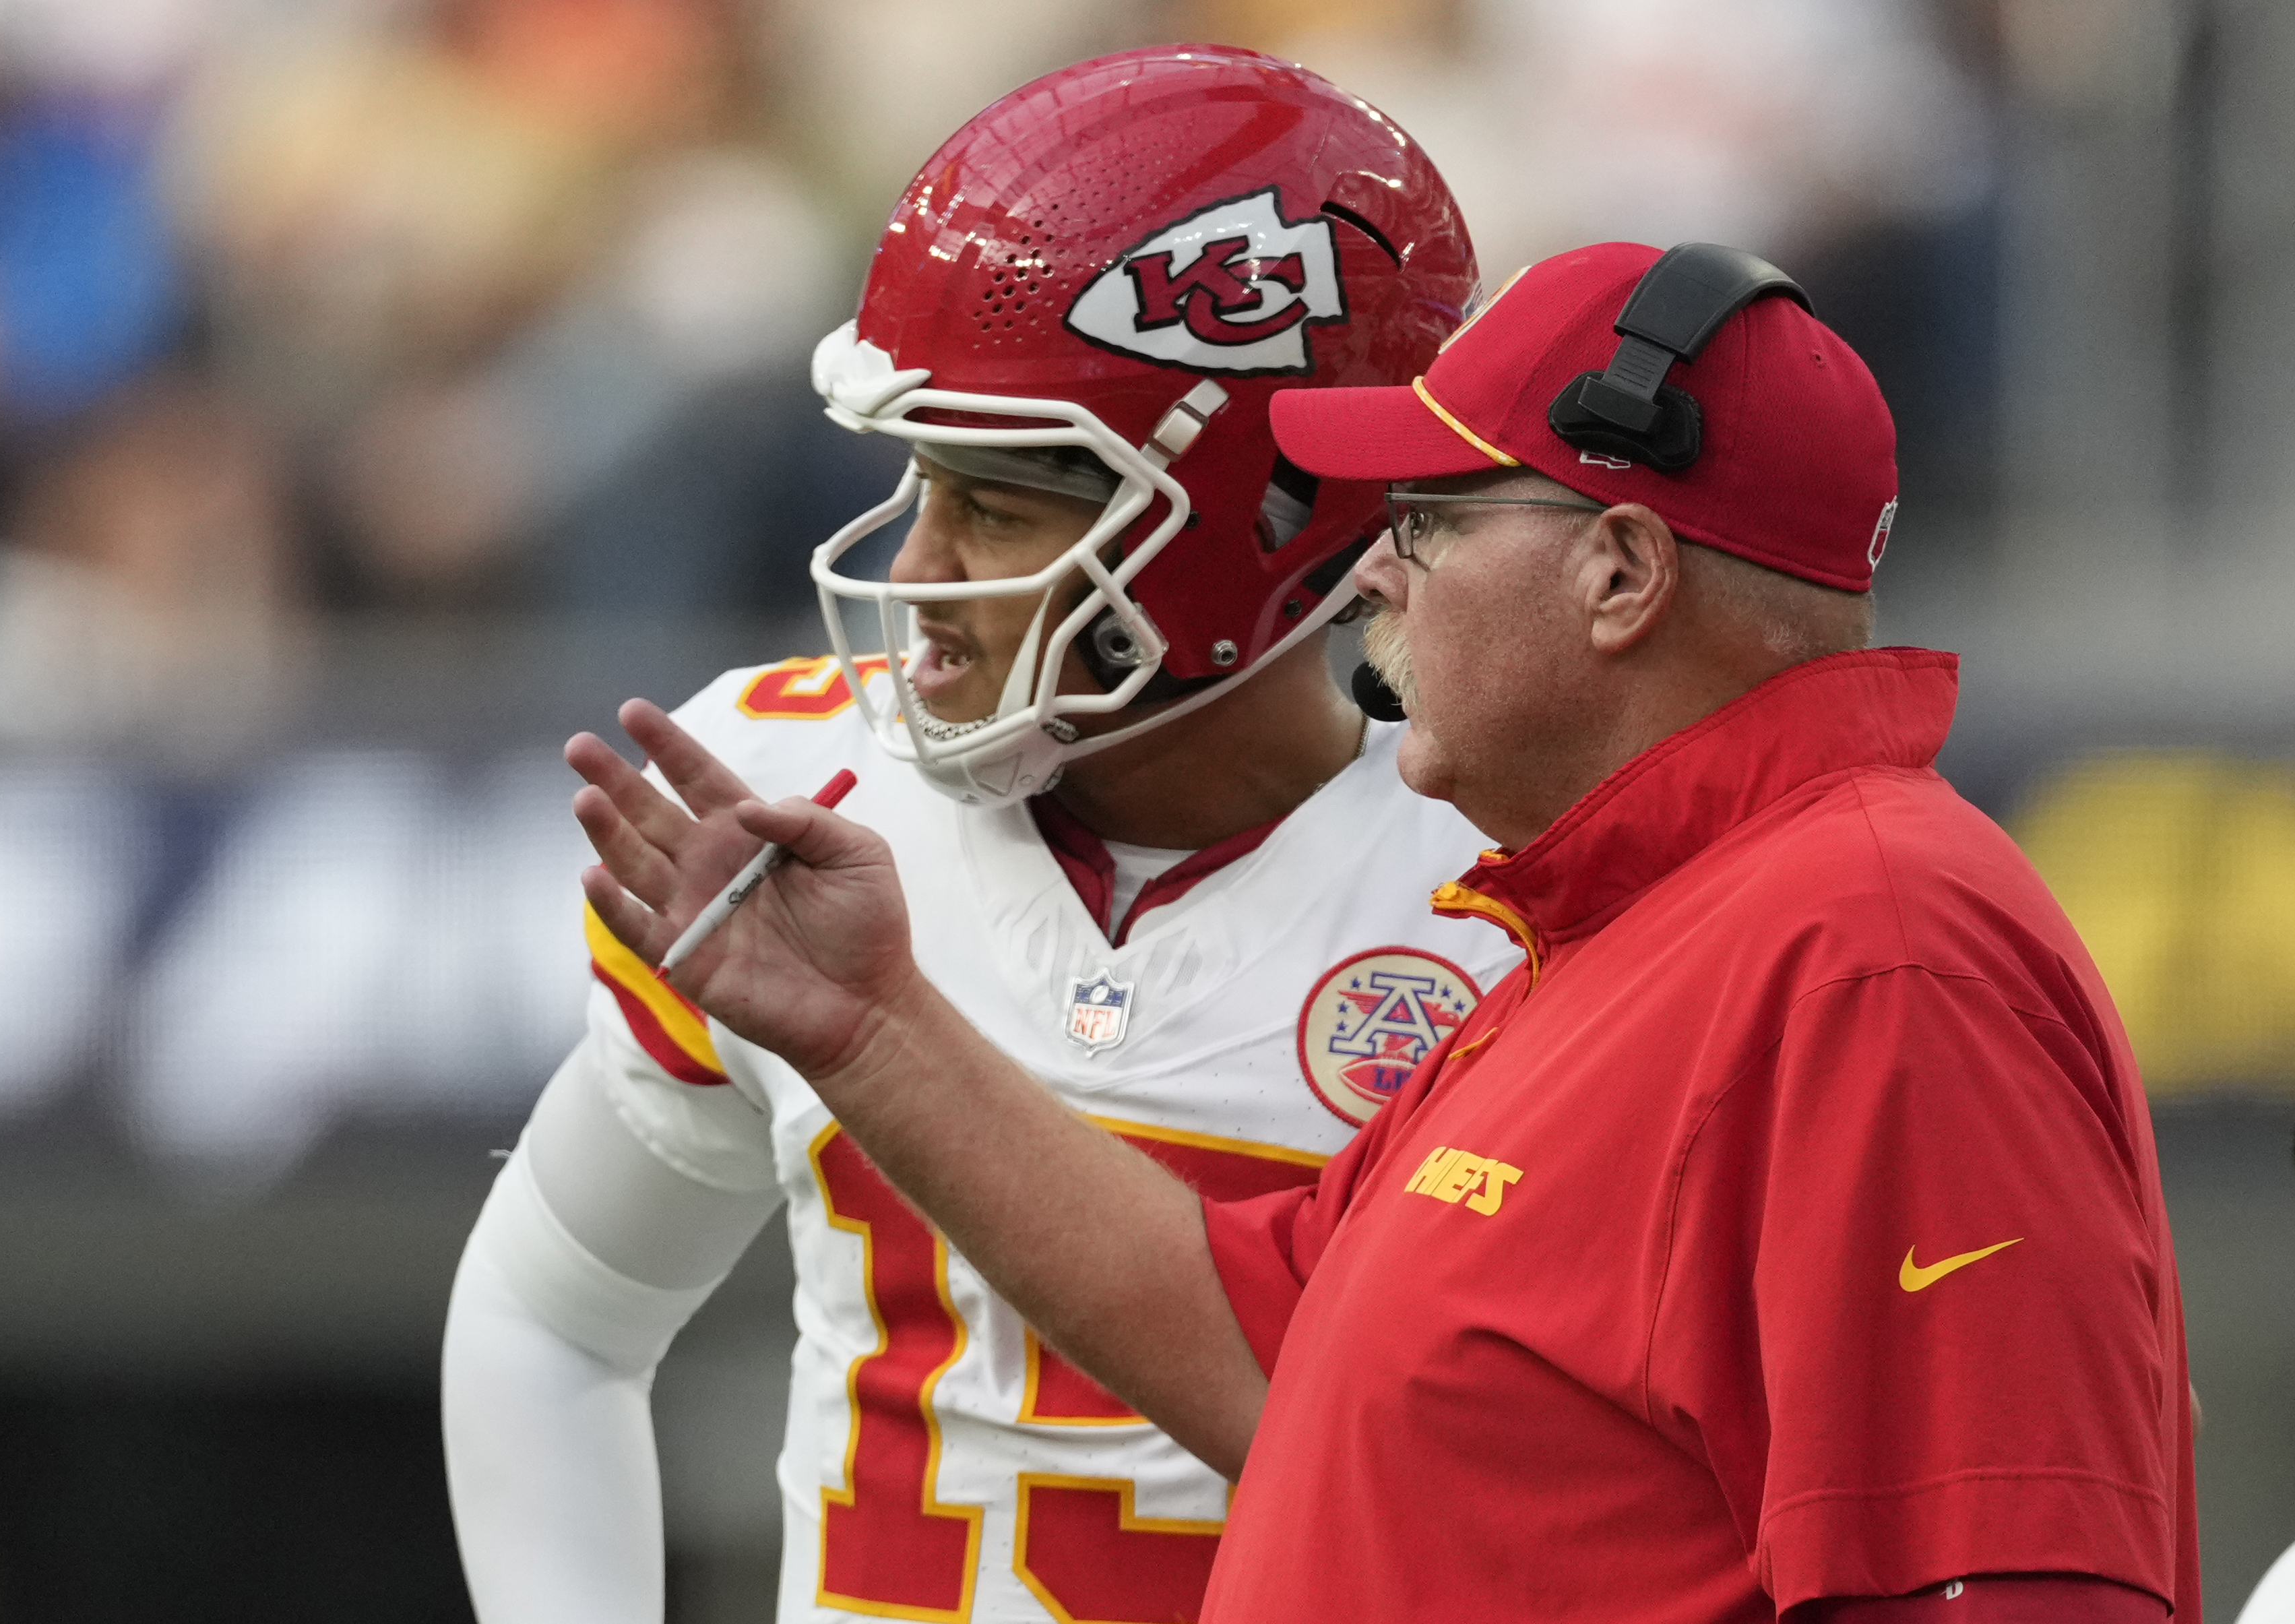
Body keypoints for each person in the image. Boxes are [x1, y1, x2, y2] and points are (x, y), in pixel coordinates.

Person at [569, 242, 2202, 1621]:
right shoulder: (1632, 922)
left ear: (1618, 570)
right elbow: (1264, 1348)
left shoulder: (1871, 951)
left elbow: (2005, 1583)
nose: (1369, 580)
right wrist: (872, 1027)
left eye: (1419, 520)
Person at [440, 45, 1513, 1624]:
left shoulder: (1508, 907)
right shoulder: (797, 780)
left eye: (1002, 504)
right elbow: (553, 1317)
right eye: (920, 477)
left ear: (1275, 517)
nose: (923, 572)